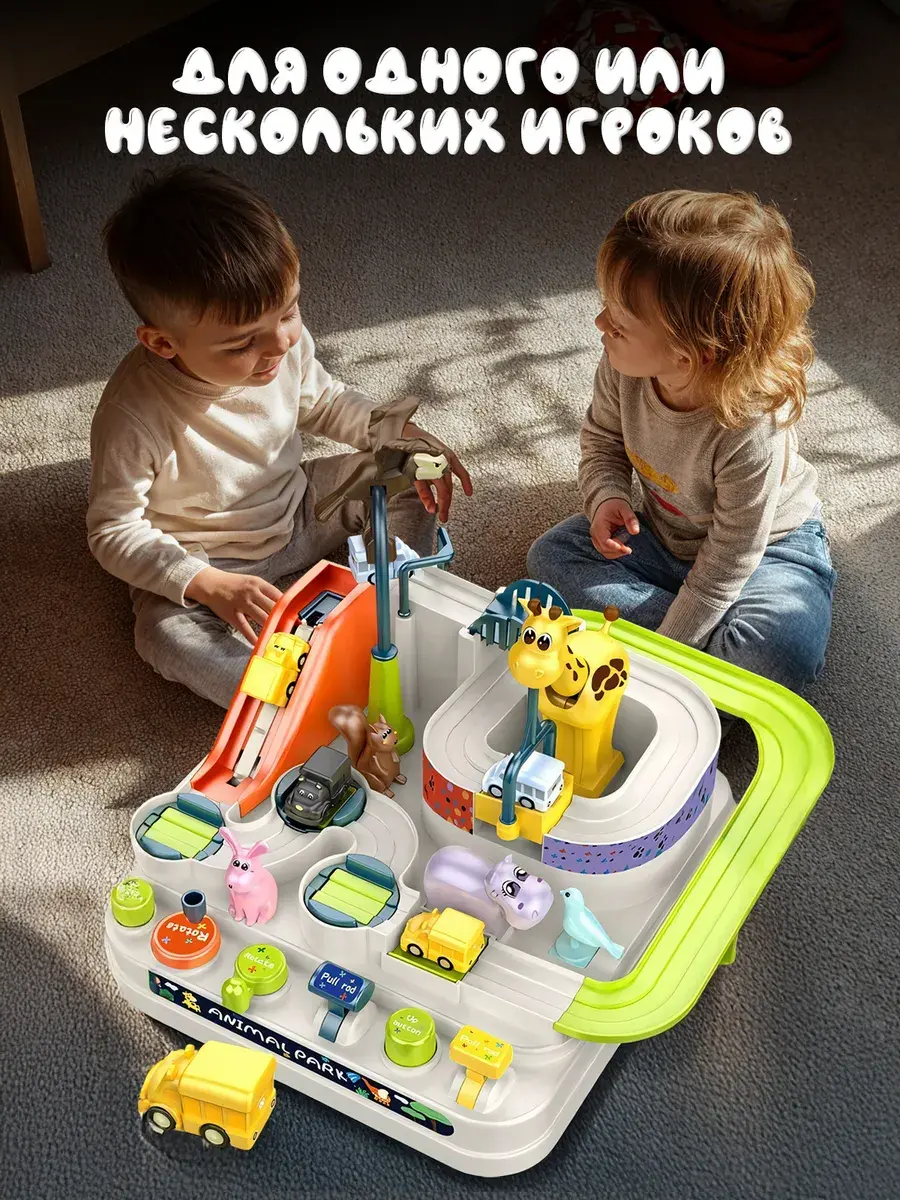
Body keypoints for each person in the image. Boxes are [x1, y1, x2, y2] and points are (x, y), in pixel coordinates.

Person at [88, 167, 471, 708]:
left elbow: (325, 401)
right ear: (162, 343)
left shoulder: (281, 344)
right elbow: (113, 530)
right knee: (163, 636)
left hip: (298, 506)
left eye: (289, 311)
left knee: (406, 474)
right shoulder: (132, 415)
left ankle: (397, 597)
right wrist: (205, 583)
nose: (280, 345)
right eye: (242, 343)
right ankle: (297, 699)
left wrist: (396, 432)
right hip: (206, 556)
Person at [527, 189, 835, 692]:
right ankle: (711, 662)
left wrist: (664, 663)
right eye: (606, 308)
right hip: (664, 533)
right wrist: (607, 496)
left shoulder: (751, 428)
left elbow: (731, 557)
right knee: (551, 558)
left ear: (692, 354)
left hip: (767, 551)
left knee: (778, 652)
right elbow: (602, 440)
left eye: (619, 324)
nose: (600, 325)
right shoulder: (623, 364)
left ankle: (690, 650)